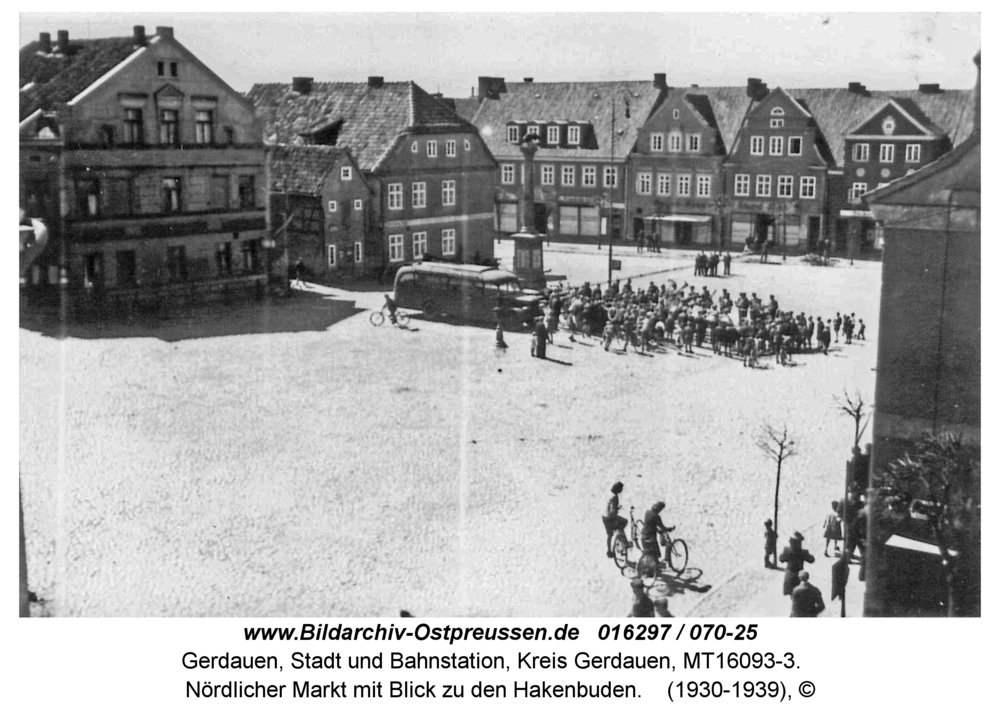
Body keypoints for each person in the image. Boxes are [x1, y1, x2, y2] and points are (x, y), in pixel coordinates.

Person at [602, 481, 628, 558]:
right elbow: (612, 511)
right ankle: (620, 535)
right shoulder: (614, 497)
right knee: (625, 521)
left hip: (604, 516)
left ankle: (609, 551)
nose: (622, 490)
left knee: (609, 534)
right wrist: (615, 511)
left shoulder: (609, 494)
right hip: (610, 516)